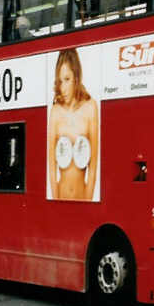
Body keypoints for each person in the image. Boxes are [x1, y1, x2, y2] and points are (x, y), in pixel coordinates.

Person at [47, 48, 98, 200]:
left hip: (83, 198)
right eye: (60, 81)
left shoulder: (90, 107)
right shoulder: (55, 112)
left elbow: (93, 166)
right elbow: (51, 167)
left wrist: (88, 203)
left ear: (76, 77)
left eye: (67, 79)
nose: (63, 88)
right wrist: (55, 203)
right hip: (60, 197)